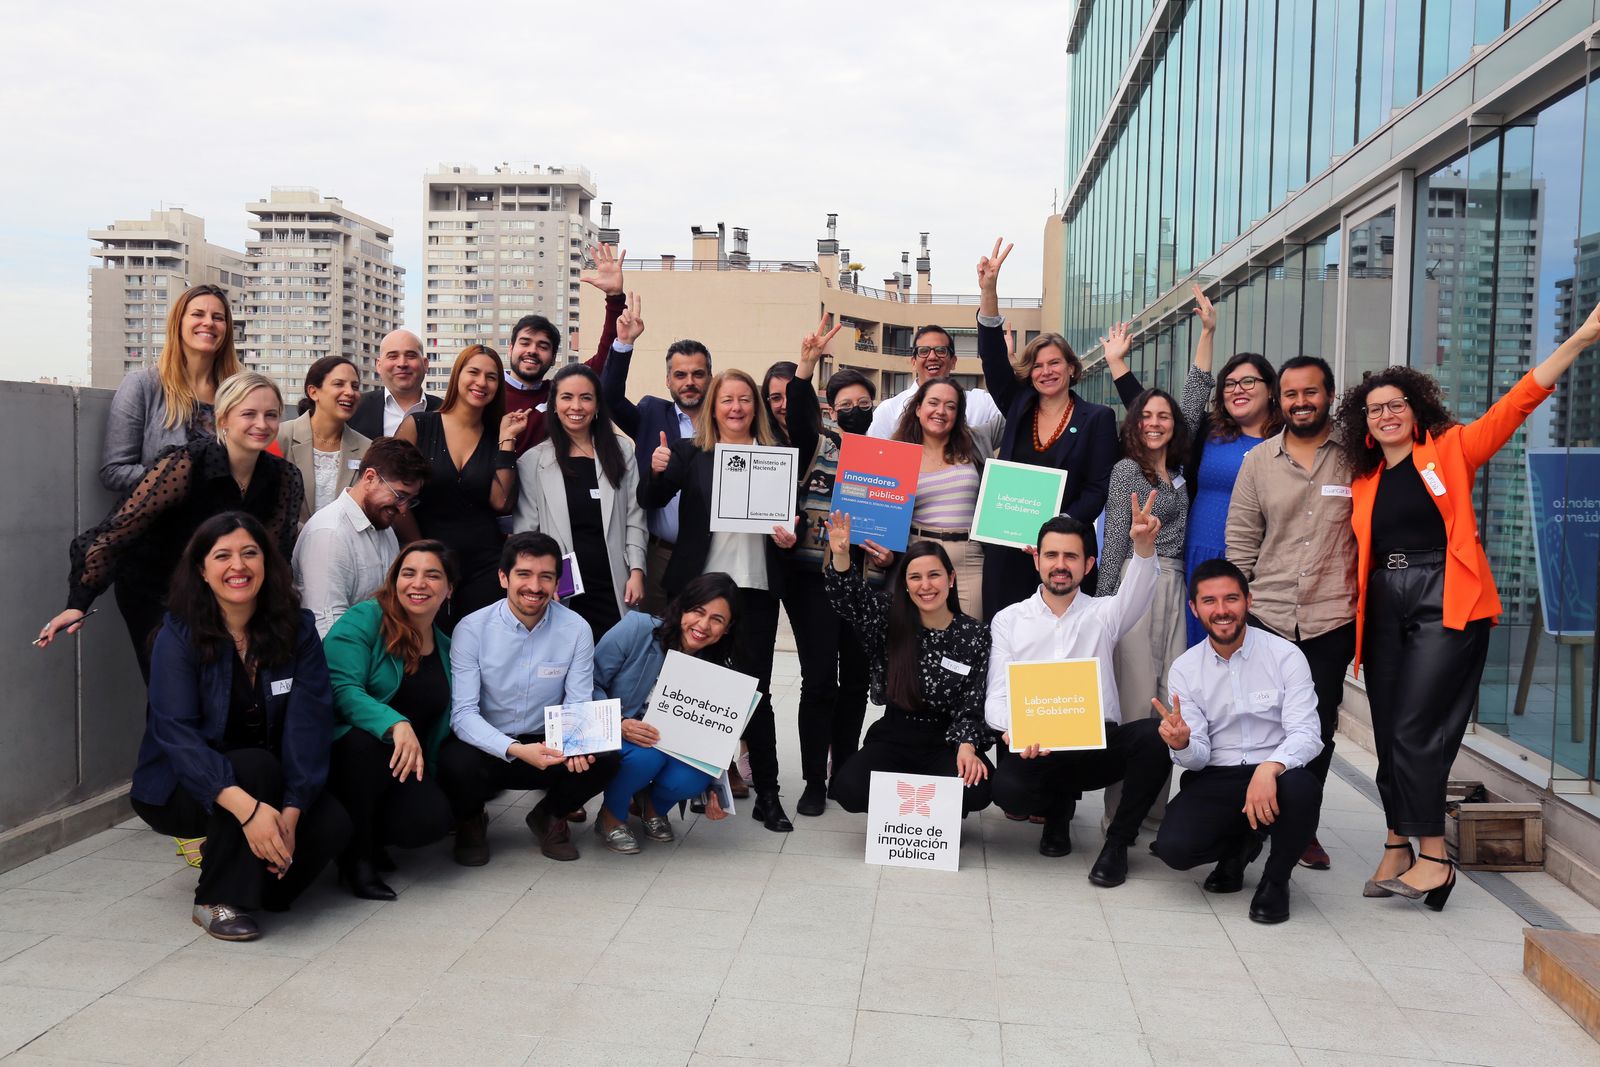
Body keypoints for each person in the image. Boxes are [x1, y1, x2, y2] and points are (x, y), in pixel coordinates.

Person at [1335, 299, 1599, 909]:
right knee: (1387, 727)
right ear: (1364, 422)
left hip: (1443, 598)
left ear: (1417, 408)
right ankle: (1397, 842)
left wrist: (1581, 338)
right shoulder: (1364, 480)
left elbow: (1519, 402)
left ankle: (1434, 856)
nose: (1385, 415)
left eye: (1396, 405)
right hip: (1384, 601)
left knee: (1415, 728)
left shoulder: (1451, 451)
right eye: (1375, 410)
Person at [129, 512, 350, 942]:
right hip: (181, 786)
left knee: (331, 823)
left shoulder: (297, 630)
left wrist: (290, 812)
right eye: (223, 556)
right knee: (254, 766)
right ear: (202, 570)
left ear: (267, 563)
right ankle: (213, 899)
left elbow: (310, 723)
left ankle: (247, 875)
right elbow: (176, 733)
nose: (239, 566)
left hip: (268, 782)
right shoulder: (178, 636)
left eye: (250, 553)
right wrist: (249, 813)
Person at [39, 373, 304, 681]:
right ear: (223, 419)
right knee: (173, 690)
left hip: (225, 596)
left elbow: (275, 553)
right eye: (249, 413)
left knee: (223, 694)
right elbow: (118, 531)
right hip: (157, 592)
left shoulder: (284, 477)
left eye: (271, 415)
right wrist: (77, 604)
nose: (262, 424)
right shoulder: (186, 463)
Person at [639, 369, 801, 832]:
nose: (735, 408)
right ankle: (673, 791)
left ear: (757, 406)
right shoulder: (691, 453)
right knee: (686, 693)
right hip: (699, 589)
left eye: (744, 399)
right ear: (713, 406)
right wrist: (656, 468)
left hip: (755, 589)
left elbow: (790, 523)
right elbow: (650, 497)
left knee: (756, 695)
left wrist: (790, 537)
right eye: (726, 399)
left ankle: (768, 795)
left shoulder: (775, 456)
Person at [985, 505, 1171, 887]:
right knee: (1009, 791)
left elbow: (1138, 592)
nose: (1060, 564)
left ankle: (1117, 844)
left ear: (1088, 565)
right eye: (1051, 555)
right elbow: (996, 697)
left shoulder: (1105, 614)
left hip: (1095, 746)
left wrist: (1143, 549)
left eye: (1071, 556)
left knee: (1155, 738)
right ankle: (1056, 814)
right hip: (1036, 745)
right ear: (1036, 559)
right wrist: (1015, 730)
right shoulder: (1009, 619)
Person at [1225, 355, 1357, 872]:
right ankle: (1249, 819)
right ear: (1279, 401)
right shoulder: (1258, 460)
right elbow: (1240, 541)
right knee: (1257, 722)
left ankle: (1303, 828)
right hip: (1270, 614)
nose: (1300, 402)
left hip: (1330, 619)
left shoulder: (1354, 458)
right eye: (1291, 394)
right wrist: (1237, 610)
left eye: (1311, 393)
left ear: (1328, 394)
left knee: (1316, 729)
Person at [1107, 286, 1282, 645]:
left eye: (1248, 381)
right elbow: (1169, 408)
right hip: (1195, 557)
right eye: (1230, 383)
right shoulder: (1209, 434)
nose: (1238, 389)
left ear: (1271, 389)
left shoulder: (1284, 443)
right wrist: (1206, 333)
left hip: (1257, 562)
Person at [1153, 559, 1324, 924]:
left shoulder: (1286, 656)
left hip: (1276, 774)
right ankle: (1240, 845)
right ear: (1194, 608)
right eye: (1210, 601)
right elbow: (1198, 760)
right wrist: (1182, 743)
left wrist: (1270, 767)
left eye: (1231, 599)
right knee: (1174, 849)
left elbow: (1307, 733)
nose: (1221, 610)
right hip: (1219, 773)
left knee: (1303, 788)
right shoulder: (1185, 668)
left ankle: (1276, 881)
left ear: (1248, 600)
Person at [437, 532, 620, 864]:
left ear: (556, 582)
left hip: (549, 741)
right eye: (524, 574)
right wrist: (516, 750)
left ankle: (550, 815)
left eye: (546, 577)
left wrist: (578, 742)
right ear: (503, 577)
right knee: (453, 761)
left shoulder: (577, 628)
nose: (535, 586)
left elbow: (578, 701)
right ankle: (471, 819)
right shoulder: (472, 628)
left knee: (606, 755)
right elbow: (463, 714)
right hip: (489, 744)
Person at [975, 239, 1117, 617]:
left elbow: (1098, 487)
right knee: (1006, 638)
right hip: (1008, 548)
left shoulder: (1098, 418)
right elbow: (991, 357)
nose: (1046, 371)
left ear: (1072, 368)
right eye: (1037, 366)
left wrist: (1058, 528)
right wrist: (990, 292)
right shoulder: (1018, 404)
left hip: (1063, 553)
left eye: (1055, 363)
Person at [823, 513, 994, 816]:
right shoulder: (888, 616)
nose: (925, 586)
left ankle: (931, 805)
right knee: (847, 789)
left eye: (934, 575)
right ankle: (915, 804)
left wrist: (967, 745)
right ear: (904, 584)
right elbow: (851, 600)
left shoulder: (974, 634)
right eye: (915, 577)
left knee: (977, 789)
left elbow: (973, 701)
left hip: (946, 740)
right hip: (895, 734)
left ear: (951, 579)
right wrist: (840, 556)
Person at [768, 319, 871, 816]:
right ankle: (812, 777)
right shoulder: (817, 442)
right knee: (819, 681)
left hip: (866, 580)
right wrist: (805, 367)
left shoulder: (889, 455)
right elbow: (802, 413)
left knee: (855, 680)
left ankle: (843, 771)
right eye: (844, 403)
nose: (854, 411)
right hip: (813, 578)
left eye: (862, 403)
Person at [323, 541, 458, 900]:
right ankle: (356, 857)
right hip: (348, 753)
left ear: (449, 589)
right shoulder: (364, 619)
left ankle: (369, 834)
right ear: (394, 579)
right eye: (408, 573)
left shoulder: (446, 647)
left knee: (430, 822)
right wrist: (395, 723)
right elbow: (339, 687)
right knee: (362, 746)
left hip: (400, 763)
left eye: (433, 576)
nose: (419, 584)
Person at [1097, 375, 1190, 833]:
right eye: (1147, 416)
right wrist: (1106, 606)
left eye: (1165, 416)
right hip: (1137, 583)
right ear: (1135, 423)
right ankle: (1120, 814)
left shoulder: (1178, 471)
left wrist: (1207, 335)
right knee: (1136, 703)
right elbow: (1115, 537)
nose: (1155, 424)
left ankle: (1154, 811)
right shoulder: (1127, 471)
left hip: (1176, 586)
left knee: (1171, 700)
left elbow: (1193, 398)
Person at [590, 573, 742, 852]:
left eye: (717, 620)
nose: (703, 625)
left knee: (695, 776)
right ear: (683, 607)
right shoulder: (637, 628)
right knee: (647, 757)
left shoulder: (719, 670)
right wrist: (619, 723)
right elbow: (589, 682)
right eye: (698, 611)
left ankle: (651, 808)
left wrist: (715, 792)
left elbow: (711, 739)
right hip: (618, 731)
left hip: (666, 745)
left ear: (727, 628)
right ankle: (610, 816)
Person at [394, 344, 529, 629]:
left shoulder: (496, 436)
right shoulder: (418, 425)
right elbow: (395, 495)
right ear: (457, 375)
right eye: (474, 372)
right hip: (428, 564)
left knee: (481, 650)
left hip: (485, 564)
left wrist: (507, 440)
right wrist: (419, 547)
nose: (482, 382)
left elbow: (501, 502)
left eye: (491, 377)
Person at [513, 362, 647, 642]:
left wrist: (636, 571)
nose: (576, 406)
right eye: (567, 397)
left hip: (616, 582)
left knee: (615, 665)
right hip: (562, 589)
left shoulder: (621, 451)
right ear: (554, 405)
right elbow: (527, 534)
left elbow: (635, 517)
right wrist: (539, 582)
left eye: (586, 398)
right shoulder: (533, 461)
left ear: (597, 405)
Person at [602, 326, 713, 617]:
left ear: (710, 378)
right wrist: (624, 343)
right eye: (680, 375)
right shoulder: (651, 414)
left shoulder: (726, 424)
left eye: (698, 374)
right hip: (658, 554)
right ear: (668, 380)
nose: (689, 382)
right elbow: (609, 397)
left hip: (710, 555)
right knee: (654, 638)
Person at [101, 283, 244, 492]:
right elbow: (113, 472)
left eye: (218, 318)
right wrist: (179, 478)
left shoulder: (239, 392)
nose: (208, 323)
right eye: (198, 314)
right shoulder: (142, 385)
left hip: (229, 519)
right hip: (165, 519)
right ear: (178, 322)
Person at [293, 437, 431, 638]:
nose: (403, 509)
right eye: (399, 496)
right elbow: (328, 628)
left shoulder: (384, 528)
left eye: (410, 500)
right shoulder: (329, 533)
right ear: (369, 478)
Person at [500, 245, 628, 454]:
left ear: (552, 358)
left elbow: (604, 360)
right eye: (525, 343)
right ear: (510, 348)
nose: (532, 350)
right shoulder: (489, 392)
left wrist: (614, 298)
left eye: (543, 346)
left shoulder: (559, 393)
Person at [892, 376, 986, 618]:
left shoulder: (974, 443)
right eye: (933, 403)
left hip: (968, 560)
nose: (941, 411)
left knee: (968, 643)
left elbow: (1015, 411)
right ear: (918, 408)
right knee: (920, 646)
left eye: (951, 406)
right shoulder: (897, 454)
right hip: (919, 557)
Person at [276, 356, 372, 526]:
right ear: (313, 392)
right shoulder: (280, 436)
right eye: (339, 384)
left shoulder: (367, 449)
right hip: (286, 546)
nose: (350, 392)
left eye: (355, 386)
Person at [868, 326, 1003, 440]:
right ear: (913, 362)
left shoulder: (980, 403)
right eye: (924, 351)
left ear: (953, 361)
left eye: (940, 351)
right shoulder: (888, 410)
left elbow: (1016, 412)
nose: (932, 357)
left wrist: (1006, 367)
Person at [348, 329, 440, 440]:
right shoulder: (354, 408)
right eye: (392, 356)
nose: (402, 364)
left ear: (425, 364)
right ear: (379, 365)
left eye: (410, 356)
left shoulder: (446, 411)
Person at [826, 368, 877, 438]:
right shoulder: (822, 447)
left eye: (863, 402)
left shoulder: (884, 448)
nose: (856, 409)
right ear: (832, 412)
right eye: (846, 404)